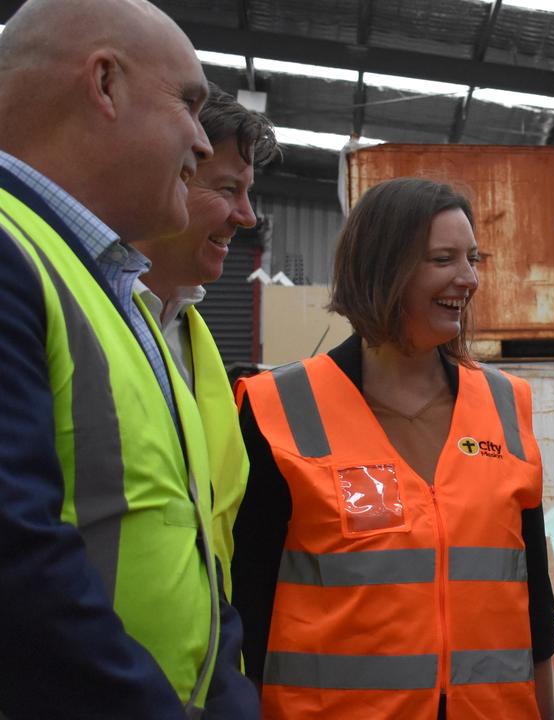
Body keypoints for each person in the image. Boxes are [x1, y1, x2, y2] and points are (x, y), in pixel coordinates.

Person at [0, 0, 258, 717]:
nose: (203, 145)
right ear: (104, 83)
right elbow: (17, 567)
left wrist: (228, 695)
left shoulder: (109, 289)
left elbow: (191, 553)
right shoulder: (13, 256)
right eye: (188, 104)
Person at [232, 178, 554, 719]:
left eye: (473, 258)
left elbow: (534, 607)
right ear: (383, 269)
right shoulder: (280, 409)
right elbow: (250, 603)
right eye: (443, 259)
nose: (468, 278)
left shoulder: (506, 404)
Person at [134, 85, 279, 598]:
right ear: (168, 179)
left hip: (202, 663)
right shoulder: (84, 315)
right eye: (227, 190)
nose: (247, 216)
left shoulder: (194, 338)